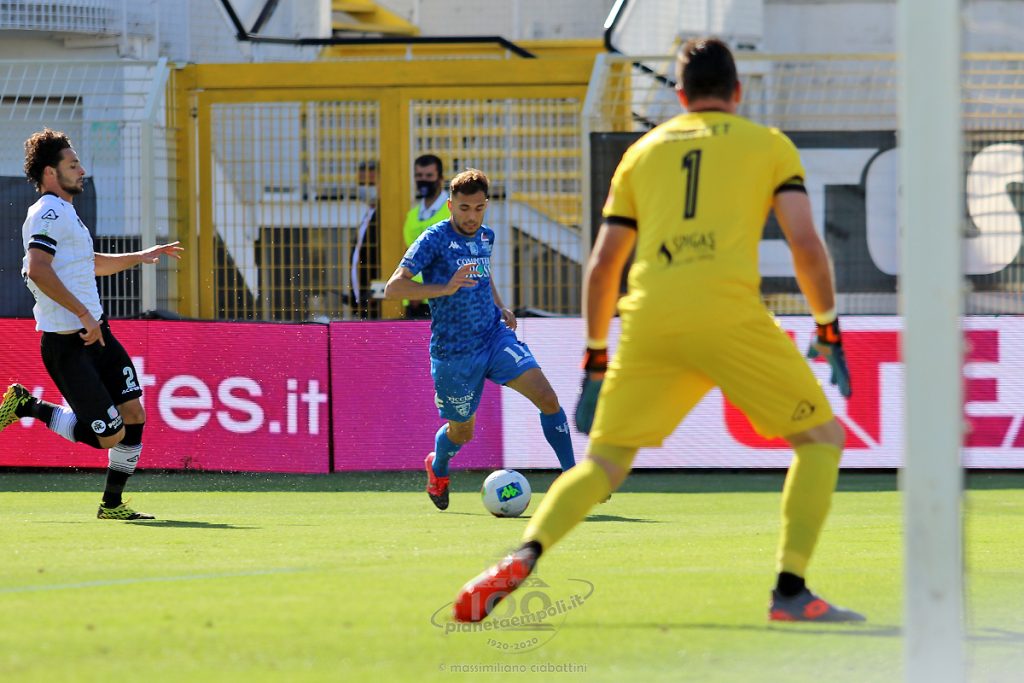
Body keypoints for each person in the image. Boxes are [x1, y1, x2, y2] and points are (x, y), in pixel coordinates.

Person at [452, 39, 863, 623]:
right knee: (820, 440)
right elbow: (805, 244)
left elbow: (603, 266)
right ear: (737, 92)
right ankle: (791, 591)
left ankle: (524, 553)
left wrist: (595, 355)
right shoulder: (769, 145)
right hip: (730, 317)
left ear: (680, 96)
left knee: (603, 465)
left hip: (651, 322)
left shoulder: (641, 153)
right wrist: (828, 326)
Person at [0, 129, 183, 520]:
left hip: (98, 335)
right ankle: (28, 406)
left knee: (134, 415)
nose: (82, 170)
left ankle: (112, 505)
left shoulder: (67, 213)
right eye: (73, 165)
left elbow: (90, 263)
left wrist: (141, 255)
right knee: (109, 436)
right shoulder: (47, 212)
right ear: (50, 173)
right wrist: (84, 314)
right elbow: (37, 268)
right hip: (68, 345)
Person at [384, 168, 575, 510]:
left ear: (486, 205)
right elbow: (393, 288)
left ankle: (573, 477)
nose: (471, 216)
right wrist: (444, 288)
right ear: (450, 206)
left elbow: (483, 275)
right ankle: (438, 466)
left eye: (478, 208)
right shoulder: (433, 239)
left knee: (547, 398)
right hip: (454, 353)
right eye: (464, 208)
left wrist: (500, 306)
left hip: (493, 337)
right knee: (462, 433)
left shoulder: (486, 236)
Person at [401, 154, 450, 319]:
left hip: (443, 298)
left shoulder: (452, 213)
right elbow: (409, 257)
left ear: (440, 178)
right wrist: (412, 291)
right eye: (419, 175)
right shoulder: (412, 216)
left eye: (429, 175)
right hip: (414, 300)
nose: (424, 180)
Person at [348, 160, 380, 319]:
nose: (365, 188)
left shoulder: (384, 216)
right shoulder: (369, 214)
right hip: (363, 302)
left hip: (377, 302)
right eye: (361, 184)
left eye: (370, 183)